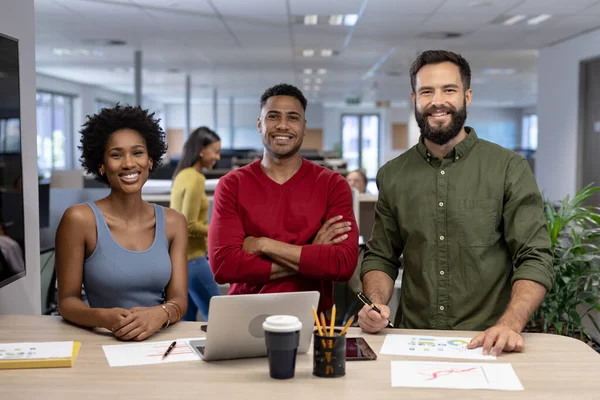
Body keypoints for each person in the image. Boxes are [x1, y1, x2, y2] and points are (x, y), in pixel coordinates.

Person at [358, 50, 554, 356]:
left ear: (468, 96)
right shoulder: (393, 175)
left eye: (449, 90)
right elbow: (381, 257)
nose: (438, 101)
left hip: (488, 343)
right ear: (414, 99)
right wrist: (375, 303)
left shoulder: (508, 168)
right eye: (427, 91)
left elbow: (535, 256)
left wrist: (510, 323)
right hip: (412, 342)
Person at [208, 83, 359, 313]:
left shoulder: (332, 184)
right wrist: (311, 253)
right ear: (260, 124)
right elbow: (224, 266)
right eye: (273, 116)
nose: (282, 125)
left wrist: (262, 244)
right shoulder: (232, 185)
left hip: (314, 319)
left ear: (304, 126)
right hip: (245, 315)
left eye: (293, 117)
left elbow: (343, 264)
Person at [55, 105, 188, 341]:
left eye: (137, 153)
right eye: (116, 155)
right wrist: (104, 318)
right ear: (102, 165)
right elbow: (67, 302)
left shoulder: (174, 222)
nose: (128, 163)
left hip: (160, 342)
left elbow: (179, 299)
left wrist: (160, 314)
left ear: (150, 160)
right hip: (100, 340)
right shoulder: (79, 220)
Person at [170, 127, 221, 321]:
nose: (217, 157)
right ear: (201, 150)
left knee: (186, 321)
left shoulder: (182, 175)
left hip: (181, 261)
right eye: (215, 151)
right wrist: (218, 232)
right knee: (218, 318)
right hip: (194, 261)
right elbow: (188, 225)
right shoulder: (196, 179)